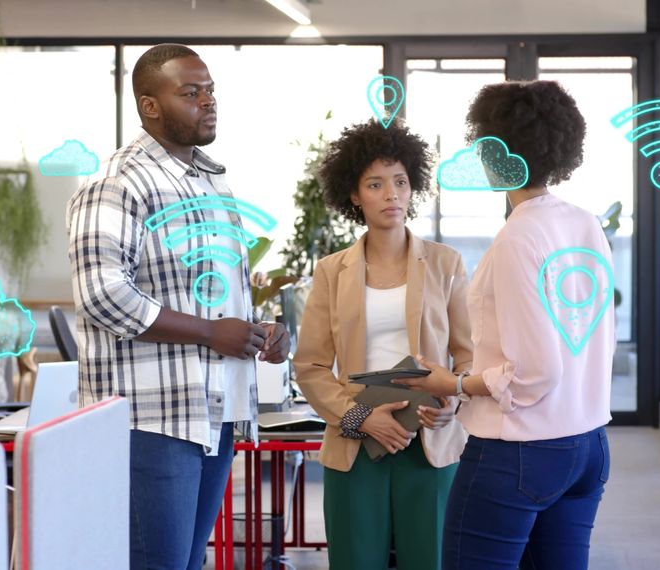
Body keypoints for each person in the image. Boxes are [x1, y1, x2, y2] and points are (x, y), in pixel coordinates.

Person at [65, 44, 291, 570]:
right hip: (151, 418)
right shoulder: (118, 182)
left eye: (210, 90)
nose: (208, 101)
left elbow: (209, 294)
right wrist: (211, 333)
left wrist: (256, 330)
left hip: (214, 409)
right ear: (150, 105)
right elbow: (103, 296)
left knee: (188, 563)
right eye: (191, 93)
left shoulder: (210, 180)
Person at [394, 80, 614, 569]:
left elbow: (535, 372)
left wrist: (452, 383)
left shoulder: (518, 237)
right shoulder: (584, 223)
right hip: (588, 444)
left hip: (519, 451)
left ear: (498, 152)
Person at [293, 119, 474, 569]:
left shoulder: (446, 264)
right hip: (356, 443)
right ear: (355, 195)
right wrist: (361, 418)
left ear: (413, 188)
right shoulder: (331, 272)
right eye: (375, 184)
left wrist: (454, 402)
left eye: (400, 182)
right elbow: (311, 366)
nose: (391, 194)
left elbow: (470, 354)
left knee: (431, 560)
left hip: (429, 440)